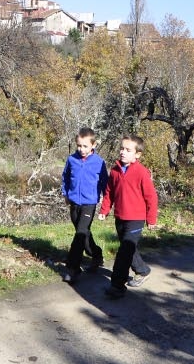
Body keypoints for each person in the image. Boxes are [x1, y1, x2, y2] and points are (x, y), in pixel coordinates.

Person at [98, 135, 158, 299]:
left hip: (136, 219)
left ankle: (117, 286)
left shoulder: (141, 172)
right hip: (120, 217)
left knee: (124, 251)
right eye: (122, 148)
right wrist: (104, 210)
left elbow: (151, 197)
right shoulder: (115, 170)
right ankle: (143, 270)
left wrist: (151, 219)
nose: (123, 152)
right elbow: (109, 192)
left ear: (137, 154)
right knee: (128, 248)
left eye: (128, 150)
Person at [61, 127, 109, 284]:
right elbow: (65, 177)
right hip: (74, 202)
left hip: (89, 203)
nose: (81, 149)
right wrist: (66, 194)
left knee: (80, 233)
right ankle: (96, 255)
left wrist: (105, 206)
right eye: (79, 145)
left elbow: (105, 184)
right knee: (84, 233)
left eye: (85, 146)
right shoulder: (72, 160)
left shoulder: (99, 163)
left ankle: (73, 268)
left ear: (93, 145)